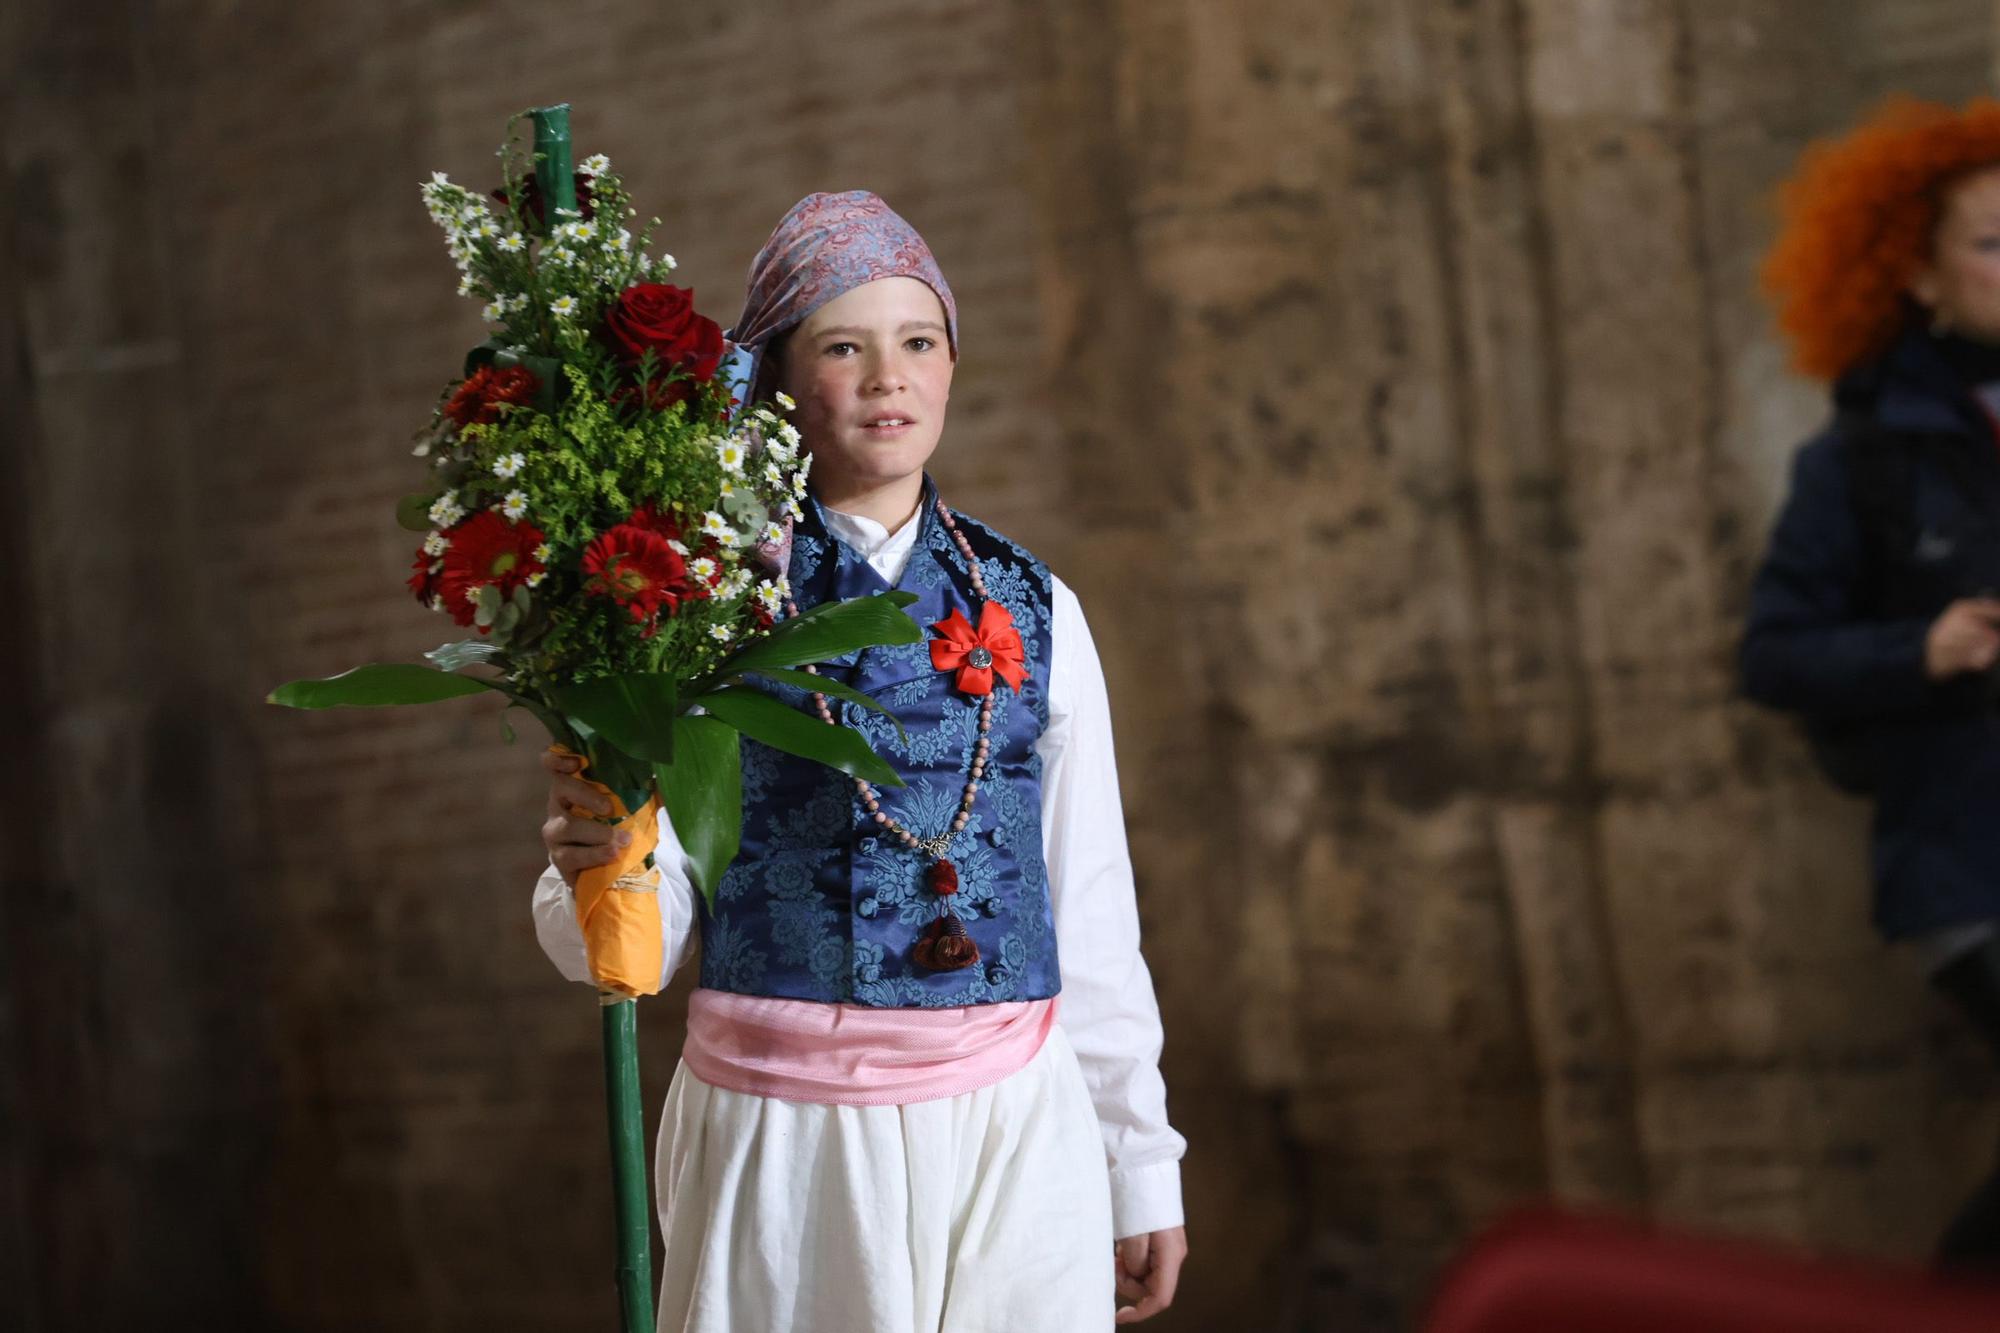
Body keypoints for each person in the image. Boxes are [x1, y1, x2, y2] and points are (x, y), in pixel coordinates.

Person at [530, 190, 1188, 1329]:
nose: (890, 376)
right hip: (783, 1132)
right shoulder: (700, 600)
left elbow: (1088, 903)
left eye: (917, 341)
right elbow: (642, 923)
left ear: (950, 366)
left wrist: (1137, 1162)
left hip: (1016, 1123)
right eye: (844, 345)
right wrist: (599, 868)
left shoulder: (1032, 606)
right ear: (780, 378)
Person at [1742, 97, 2000, 1270]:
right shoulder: (1855, 459)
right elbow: (1772, 653)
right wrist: (1920, 648)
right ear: (1914, 273)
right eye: (1991, 243)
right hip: (1968, 860)